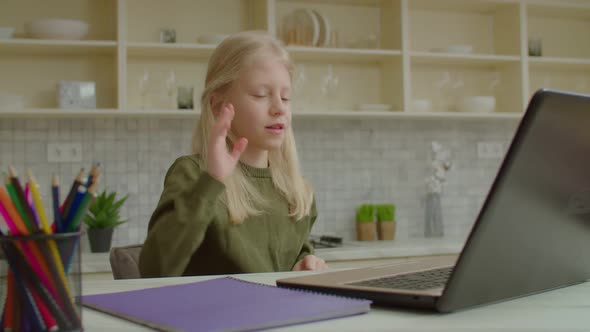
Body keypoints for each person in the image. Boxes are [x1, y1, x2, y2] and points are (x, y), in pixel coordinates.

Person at [139, 31, 328, 277]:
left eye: (286, 97)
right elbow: (155, 270)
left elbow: (290, 257)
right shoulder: (194, 175)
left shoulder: (297, 192)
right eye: (261, 94)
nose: (279, 107)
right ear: (218, 105)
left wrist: (304, 264)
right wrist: (211, 182)